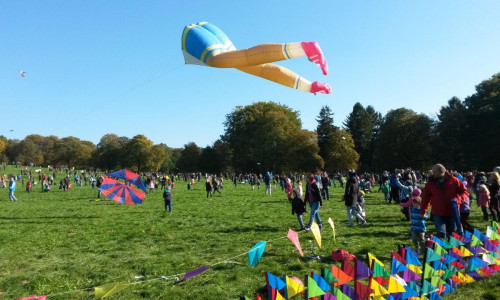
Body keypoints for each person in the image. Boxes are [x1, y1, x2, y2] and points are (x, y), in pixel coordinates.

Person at [182, 22, 331, 94]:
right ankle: (310, 85)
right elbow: (264, 69)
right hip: (206, 30)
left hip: (191, 33)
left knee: (216, 59)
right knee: (255, 66)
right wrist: (309, 87)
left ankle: (303, 48)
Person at [420, 164, 469, 239]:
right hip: (437, 212)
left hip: (452, 212)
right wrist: (423, 210)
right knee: (441, 233)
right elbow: (426, 198)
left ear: (442, 172)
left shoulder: (454, 181)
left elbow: (465, 192)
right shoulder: (430, 183)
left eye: (435, 172)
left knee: (453, 233)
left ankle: (452, 250)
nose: (433, 174)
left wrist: (457, 200)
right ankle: (442, 249)